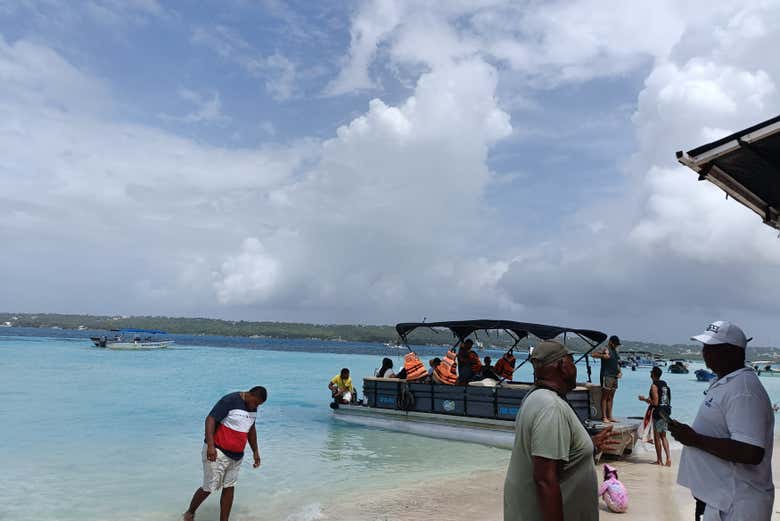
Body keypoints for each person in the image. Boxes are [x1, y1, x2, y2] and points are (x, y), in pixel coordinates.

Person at [670, 321, 774, 521]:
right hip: (720, 500)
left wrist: (694, 439)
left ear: (732, 352)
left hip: (738, 505)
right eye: (704, 348)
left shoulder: (744, 391)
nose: (704, 353)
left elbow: (751, 451)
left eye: (711, 348)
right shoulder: (727, 382)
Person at [504, 340, 617, 521]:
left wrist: (588, 446)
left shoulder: (534, 396)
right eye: (572, 361)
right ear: (563, 366)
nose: (574, 367)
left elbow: (554, 457)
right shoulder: (551, 407)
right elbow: (545, 481)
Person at [183, 386, 267, 521]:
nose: (257, 406)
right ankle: (190, 513)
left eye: (259, 404)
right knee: (209, 487)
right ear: (250, 395)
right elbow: (210, 419)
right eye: (256, 402)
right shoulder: (230, 400)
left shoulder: (253, 407)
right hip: (217, 451)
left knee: (229, 486)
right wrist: (210, 446)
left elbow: (251, 429)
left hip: (237, 455)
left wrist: (255, 451)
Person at [638, 366, 672, 466]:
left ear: (652, 374)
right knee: (664, 436)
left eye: (651, 373)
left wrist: (644, 399)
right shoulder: (665, 385)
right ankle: (669, 458)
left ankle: (659, 460)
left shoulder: (654, 386)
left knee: (657, 437)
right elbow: (665, 400)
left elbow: (655, 402)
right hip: (666, 412)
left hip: (658, 412)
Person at [591, 335, 622, 423]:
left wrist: (620, 372)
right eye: (615, 344)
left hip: (614, 376)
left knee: (611, 397)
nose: (616, 346)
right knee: (605, 397)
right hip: (607, 375)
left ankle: (610, 416)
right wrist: (603, 356)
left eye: (617, 344)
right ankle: (604, 417)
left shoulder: (615, 351)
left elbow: (617, 363)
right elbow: (593, 354)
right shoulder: (605, 348)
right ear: (610, 342)